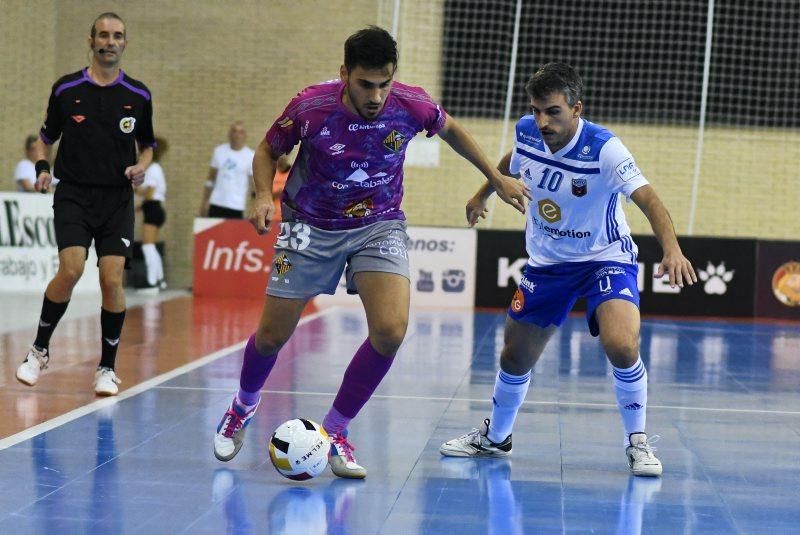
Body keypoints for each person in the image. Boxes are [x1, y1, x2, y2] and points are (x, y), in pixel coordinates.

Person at [212, 26, 530, 479]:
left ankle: (336, 430)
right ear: (345, 74)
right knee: (270, 336)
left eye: (384, 82)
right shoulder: (310, 107)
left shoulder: (411, 104)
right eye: (365, 84)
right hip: (309, 225)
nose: (377, 95)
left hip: (378, 224)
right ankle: (242, 407)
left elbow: (453, 131)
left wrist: (494, 180)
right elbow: (267, 150)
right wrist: (263, 196)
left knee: (390, 331)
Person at [439, 63, 697, 477]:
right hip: (547, 263)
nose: (543, 121)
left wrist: (672, 250)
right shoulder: (528, 130)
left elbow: (649, 198)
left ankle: (638, 442)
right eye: (537, 110)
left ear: (577, 109)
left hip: (604, 257)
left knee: (621, 342)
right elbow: (513, 158)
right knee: (514, 356)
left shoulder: (606, 149)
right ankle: (496, 438)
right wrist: (483, 190)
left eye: (553, 112)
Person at [15, 12, 155, 396]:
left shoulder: (138, 95)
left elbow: (148, 146)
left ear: (125, 43)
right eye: (104, 35)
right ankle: (39, 350)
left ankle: (107, 368)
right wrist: (43, 167)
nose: (110, 42)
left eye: (118, 36)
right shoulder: (66, 88)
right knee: (71, 269)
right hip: (74, 194)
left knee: (112, 279)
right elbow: (45, 137)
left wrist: (141, 168)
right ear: (91, 41)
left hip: (116, 199)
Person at [199, 122, 255, 219]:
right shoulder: (219, 151)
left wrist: (253, 208)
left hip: (236, 206)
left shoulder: (250, 156)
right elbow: (210, 179)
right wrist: (204, 202)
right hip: (216, 203)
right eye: (234, 131)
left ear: (245, 136)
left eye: (241, 132)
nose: (237, 135)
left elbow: (253, 185)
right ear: (229, 134)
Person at [136, 136, 168, 293]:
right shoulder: (156, 168)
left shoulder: (153, 169)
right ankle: (159, 280)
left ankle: (152, 282)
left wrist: (134, 189)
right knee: (151, 246)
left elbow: (149, 193)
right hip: (154, 208)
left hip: (153, 208)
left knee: (148, 246)